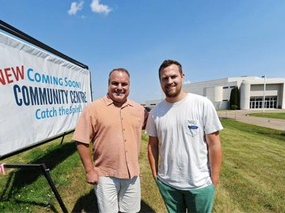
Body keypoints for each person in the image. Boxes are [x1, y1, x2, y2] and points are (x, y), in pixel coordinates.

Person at [146, 59, 223, 213]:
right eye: (164, 78)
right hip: (168, 185)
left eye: (173, 76)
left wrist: (213, 181)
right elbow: (152, 145)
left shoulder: (202, 104)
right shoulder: (155, 113)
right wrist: (156, 176)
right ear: (160, 81)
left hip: (199, 184)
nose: (169, 81)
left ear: (182, 76)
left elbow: (214, 144)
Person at [73, 68, 147, 213]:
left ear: (129, 86)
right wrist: (89, 171)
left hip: (132, 175)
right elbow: (81, 140)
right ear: (108, 84)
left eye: (124, 84)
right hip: (105, 175)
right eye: (115, 83)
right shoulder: (93, 109)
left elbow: (159, 126)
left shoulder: (139, 110)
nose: (119, 88)